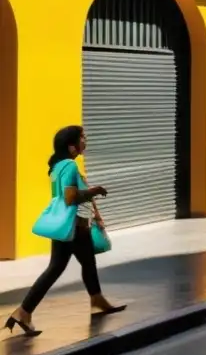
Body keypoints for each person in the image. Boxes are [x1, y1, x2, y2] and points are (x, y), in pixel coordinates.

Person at [6, 126, 125, 336]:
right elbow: (70, 198)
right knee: (60, 268)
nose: (85, 141)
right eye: (82, 138)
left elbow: (61, 197)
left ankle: (96, 299)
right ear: (72, 146)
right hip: (75, 227)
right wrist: (95, 191)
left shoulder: (57, 167)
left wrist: (95, 211)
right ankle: (24, 311)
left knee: (81, 264)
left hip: (71, 225)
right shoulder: (69, 166)